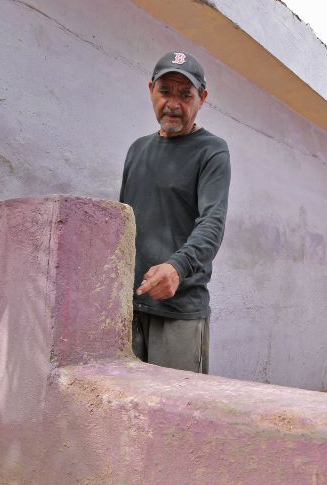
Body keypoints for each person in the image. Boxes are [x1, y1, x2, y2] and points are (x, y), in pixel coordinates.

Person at [119, 51, 231, 374]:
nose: (173, 103)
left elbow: (212, 223)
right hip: (131, 311)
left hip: (181, 312)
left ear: (202, 98)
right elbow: (125, 226)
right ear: (151, 89)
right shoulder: (137, 150)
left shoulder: (212, 151)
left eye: (186, 94)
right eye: (165, 91)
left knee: (178, 417)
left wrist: (176, 268)